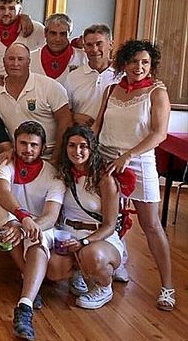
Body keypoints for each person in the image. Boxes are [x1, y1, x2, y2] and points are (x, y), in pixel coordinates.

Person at [96, 40, 174, 311]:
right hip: (106, 158)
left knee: (150, 224)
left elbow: (159, 133)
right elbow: (98, 125)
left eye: (145, 62)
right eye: (133, 61)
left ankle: (167, 286)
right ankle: (113, 264)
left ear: (152, 65)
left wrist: (128, 155)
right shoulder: (111, 90)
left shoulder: (157, 92)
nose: (138, 67)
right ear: (123, 63)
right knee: (107, 217)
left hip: (139, 161)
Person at [0, 121, 66, 341]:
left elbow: (51, 215)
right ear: (15, 144)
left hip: (39, 223)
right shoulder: (6, 163)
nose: (28, 149)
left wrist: (27, 227)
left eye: (34, 145)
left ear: (42, 147)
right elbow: (2, 192)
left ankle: (24, 306)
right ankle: (30, 281)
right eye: (23, 143)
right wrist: (22, 218)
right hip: (14, 215)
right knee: (5, 220)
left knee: (38, 239)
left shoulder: (53, 174)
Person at [58, 126, 125, 309]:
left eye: (83, 146)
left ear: (92, 149)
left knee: (91, 254)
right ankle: (77, 273)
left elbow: (110, 225)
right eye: (72, 145)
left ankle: (104, 287)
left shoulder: (105, 179)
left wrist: (85, 242)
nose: (77, 151)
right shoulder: (62, 173)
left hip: (99, 236)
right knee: (54, 268)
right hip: (69, 233)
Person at [0, 43, 71, 161]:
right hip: (16, 157)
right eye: (11, 59)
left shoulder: (49, 86)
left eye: (20, 59)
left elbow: (66, 122)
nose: (15, 64)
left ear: (29, 62)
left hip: (50, 156)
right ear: (4, 62)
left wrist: (55, 158)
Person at [63, 24, 120, 128]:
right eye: (89, 45)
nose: (94, 49)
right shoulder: (72, 77)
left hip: (114, 135)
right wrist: (74, 117)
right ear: (84, 48)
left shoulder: (122, 75)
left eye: (99, 44)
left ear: (111, 45)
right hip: (82, 135)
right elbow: (63, 112)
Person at [0, 0, 45, 80]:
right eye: (2, 8)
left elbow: (50, 50)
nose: (6, 13)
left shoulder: (35, 28)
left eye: (11, 8)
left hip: (22, 83)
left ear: (20, 10)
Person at [28, 14, 86, 85]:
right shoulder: (29, 59)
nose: (57, 39)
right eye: (53, 33)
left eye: (63, 34)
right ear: (45, 33)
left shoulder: (83, 59)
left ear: (70, 34)